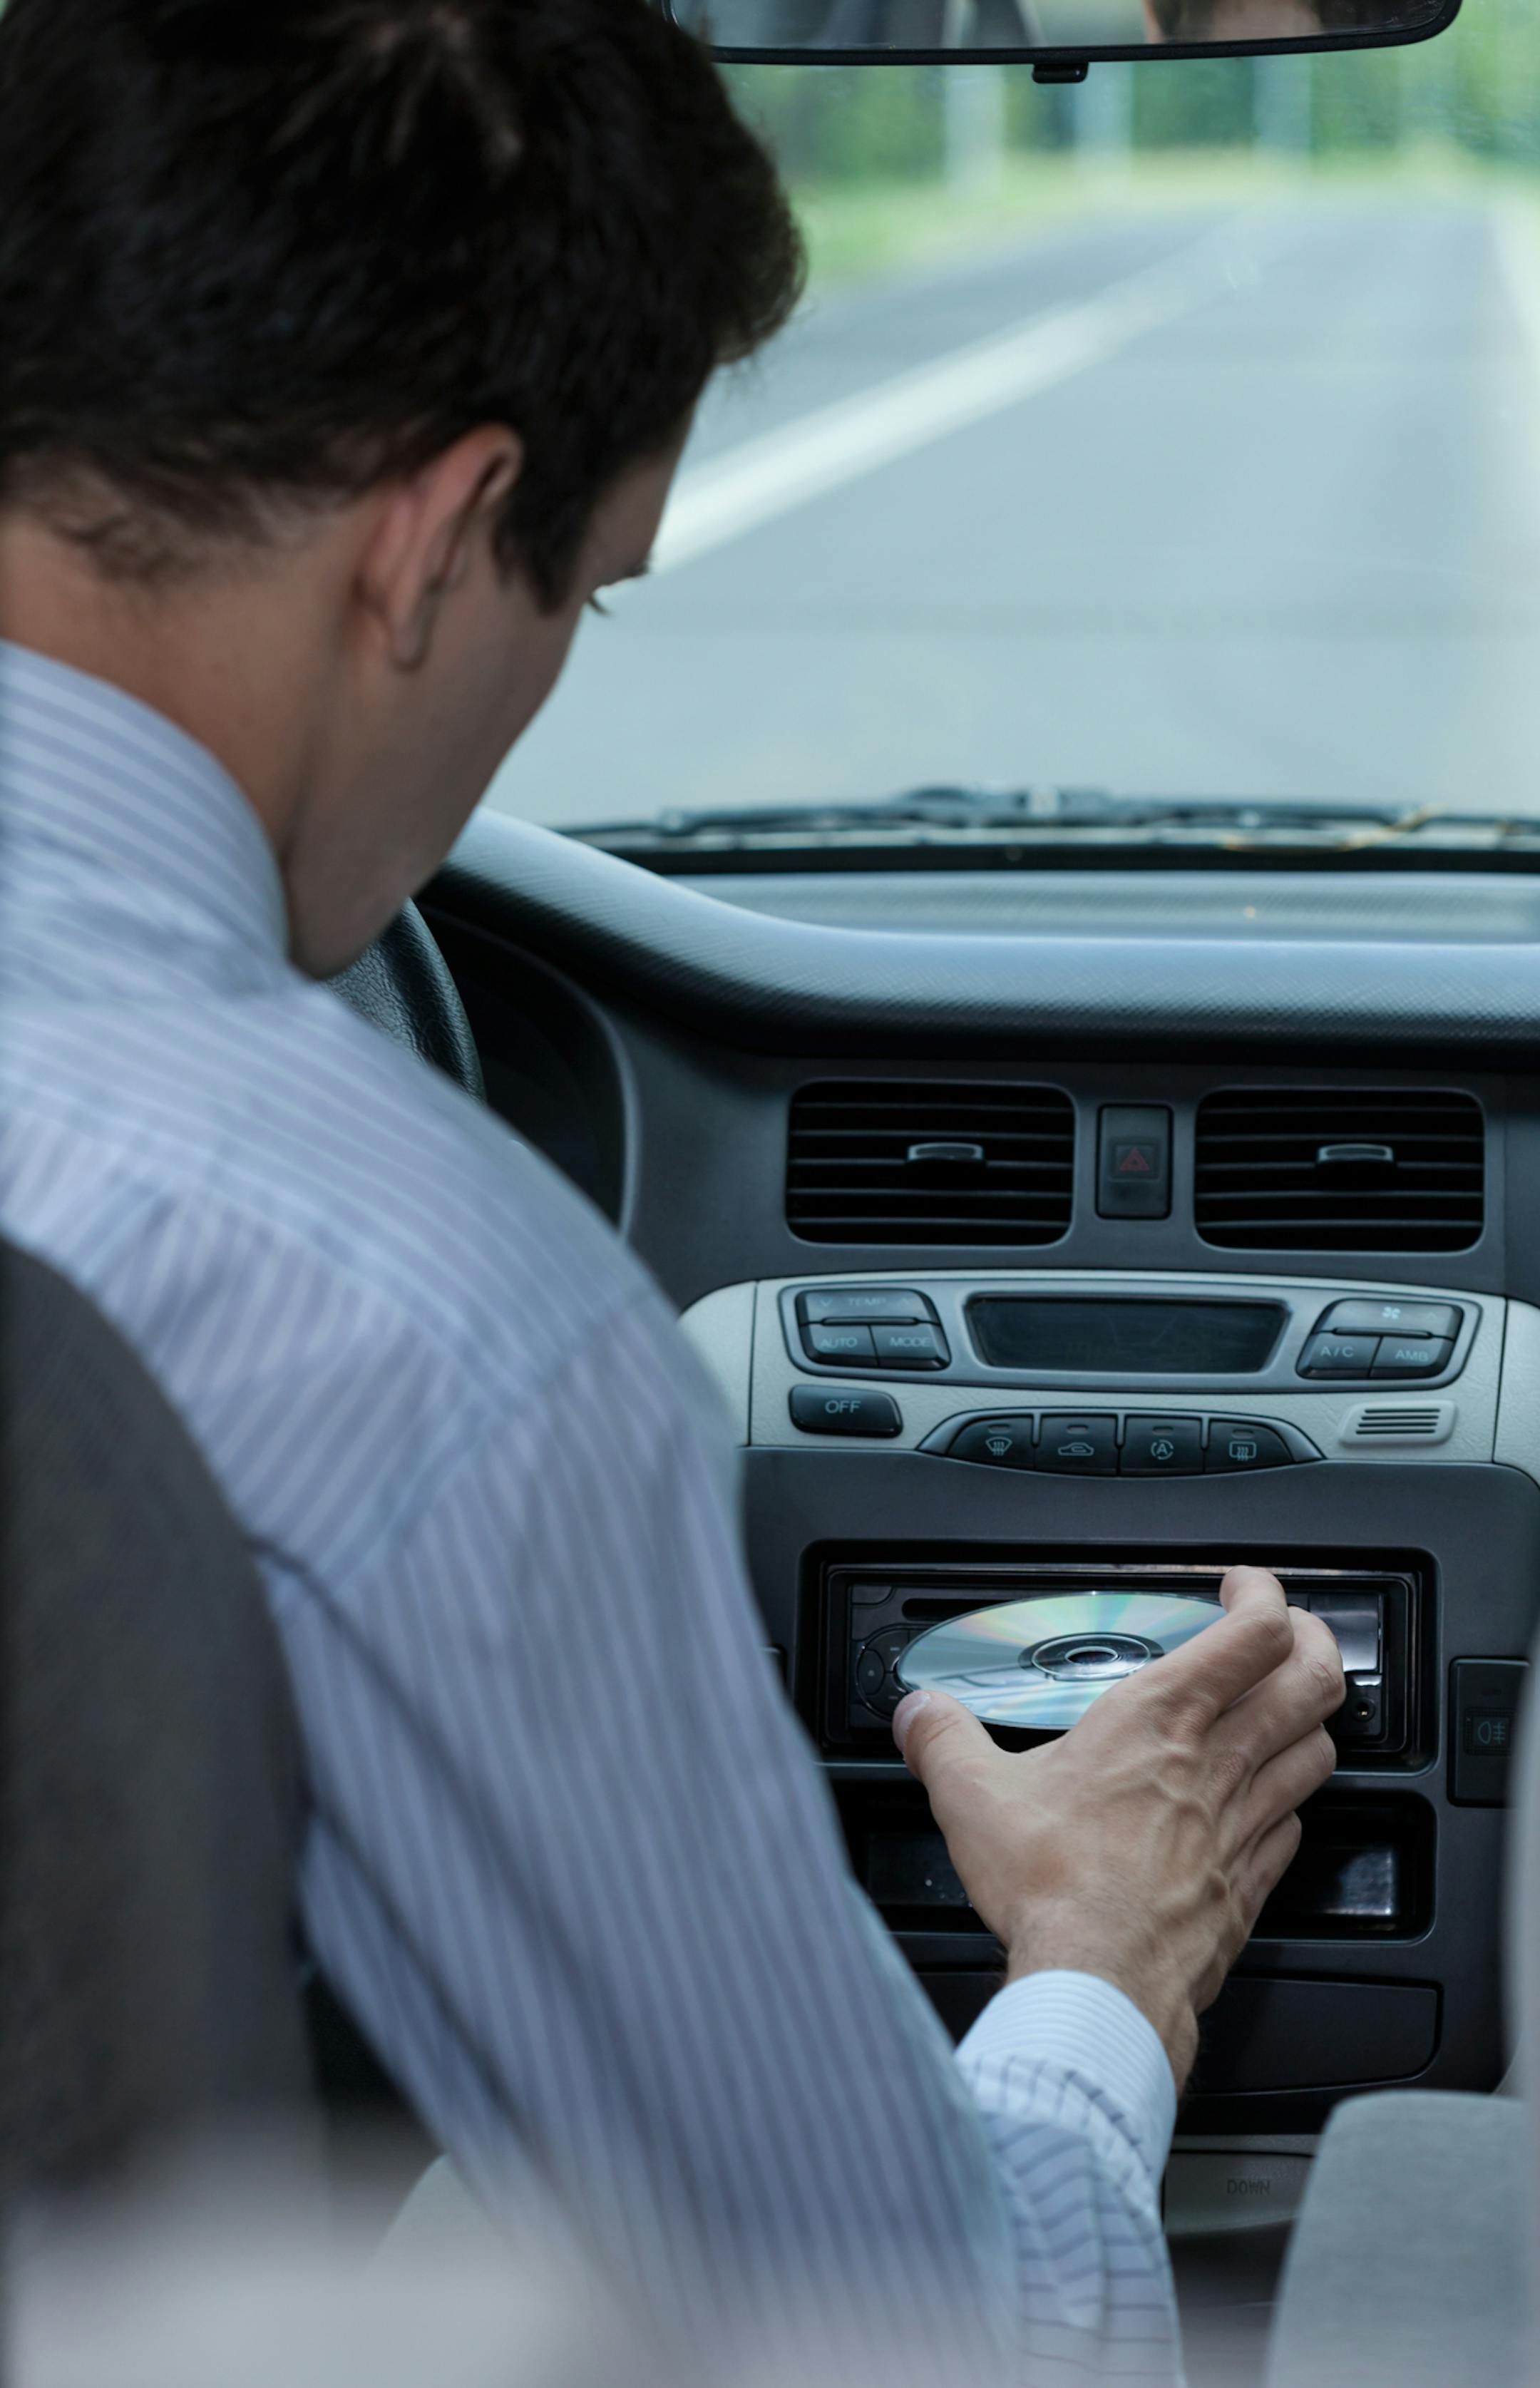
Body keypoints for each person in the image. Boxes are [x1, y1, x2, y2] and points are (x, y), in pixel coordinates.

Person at [0, 0, 1344, 2376]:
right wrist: (1096, 1977)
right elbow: (895, 2341)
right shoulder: (405, 1307)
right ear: (428, 545)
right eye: (585, 592)